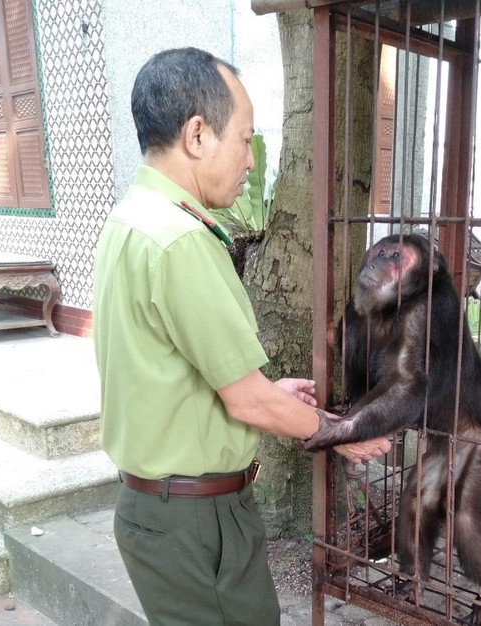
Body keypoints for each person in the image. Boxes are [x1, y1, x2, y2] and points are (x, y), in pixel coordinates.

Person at [92, 47, 390, 626]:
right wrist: (340, 432)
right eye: (245, 138)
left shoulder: (130, 221)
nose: (251, 160)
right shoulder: (180, 240)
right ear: (198, 135)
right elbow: (245, 398)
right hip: (195, 521)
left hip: (158, 508)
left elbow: (161, 367)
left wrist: (266, 389)